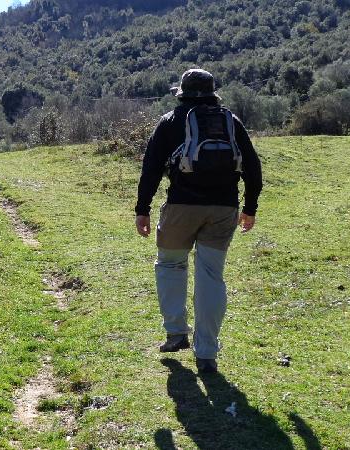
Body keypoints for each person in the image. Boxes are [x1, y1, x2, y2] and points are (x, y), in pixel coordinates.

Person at [134, 68, 263, 373]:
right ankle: (206, 352)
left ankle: (176, 333)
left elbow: (151, 168)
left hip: (181, 206)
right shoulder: (231, 122)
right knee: (210, 276)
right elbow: (253, 167)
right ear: (212, 93)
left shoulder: (170, 121)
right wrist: (250, 207)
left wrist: (142, 208)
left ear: (182, 93)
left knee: (170, 264)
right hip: (223, 209)